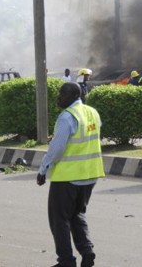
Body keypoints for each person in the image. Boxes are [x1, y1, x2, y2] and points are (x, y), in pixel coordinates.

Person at [37, 82, 104, 267]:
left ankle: (66, 261)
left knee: (60, 221)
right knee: (77, 215)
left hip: (67, 178)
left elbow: (56, 149)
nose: (59, 97)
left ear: (74, 95)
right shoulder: (92, 112)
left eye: (63, 94)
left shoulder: (67, 117)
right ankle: (87, 251)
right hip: (90, 176)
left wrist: (43, 169)